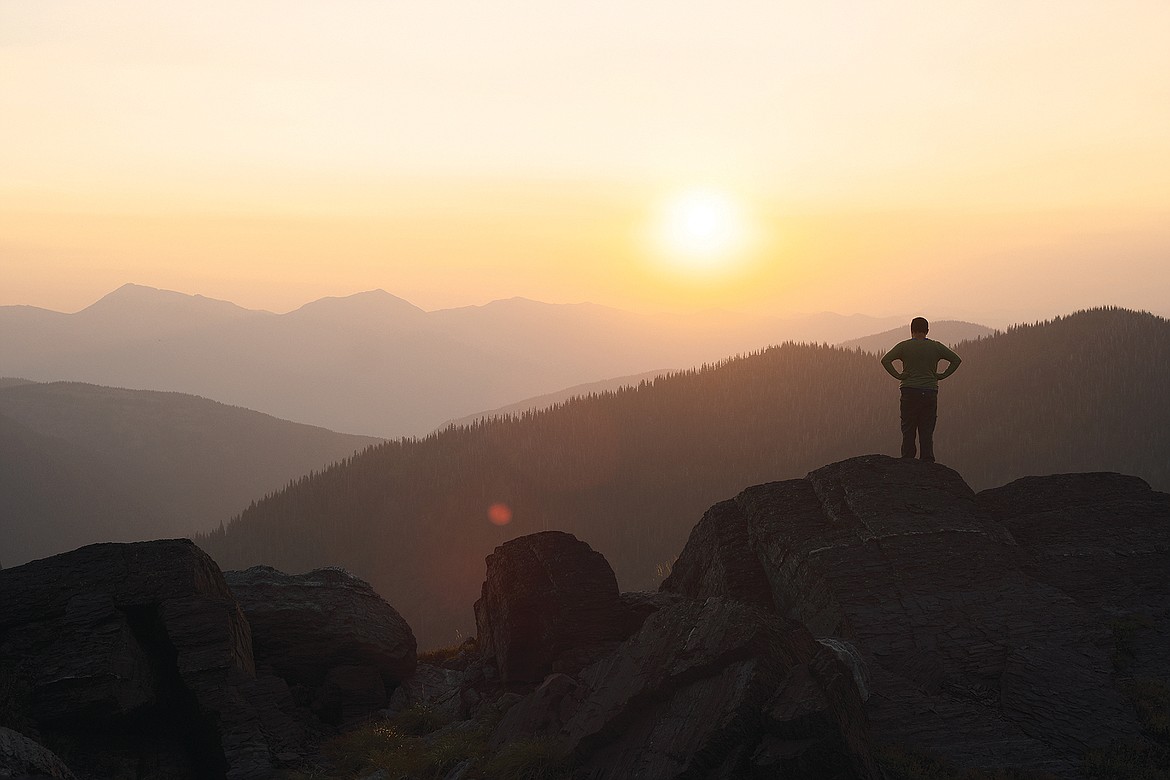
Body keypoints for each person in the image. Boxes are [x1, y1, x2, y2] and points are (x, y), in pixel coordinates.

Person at [880, 317, 961, 462]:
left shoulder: (904, 346)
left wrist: (899, 375)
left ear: (911, 330)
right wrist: (942, 375)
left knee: (908, 428)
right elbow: (956, 360)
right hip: (929, 391)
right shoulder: (936, 347)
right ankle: (927, 460)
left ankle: (908, 460)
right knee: (927, 428)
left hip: (909, 391)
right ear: (927, 331)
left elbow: (885, 360)